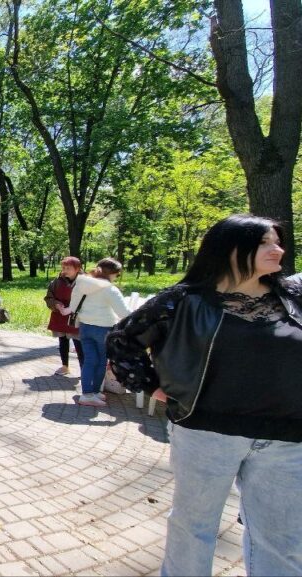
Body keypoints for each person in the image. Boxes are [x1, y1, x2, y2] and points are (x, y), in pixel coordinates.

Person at [107, 214, 302, 577]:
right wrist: (153, 388)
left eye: (278, 242)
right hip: (206, 433)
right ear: (229, 247)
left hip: (287, 440)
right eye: (266, 243)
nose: (279, 250)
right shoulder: (183, 300)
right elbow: (122, 341)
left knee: (283, 539)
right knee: (193, 528)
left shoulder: (293, 297)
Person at [58, 257, 129, 407]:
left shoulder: (82, 284)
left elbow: (73, 306)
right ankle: (93, 392)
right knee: (101, 361)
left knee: (89, 360)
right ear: (113, 274)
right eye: (117, 275)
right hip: (103, 328)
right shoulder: (110, 289)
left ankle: (87, 393)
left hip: (84, 327)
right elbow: (124, 313)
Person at [44, 256, 85, 376]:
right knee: (63, 341)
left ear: (77, 268)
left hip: (77, 317)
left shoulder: (85, 282)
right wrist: (56, 304)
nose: (65, 270)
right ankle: (65, 366)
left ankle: (84, 369)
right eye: (63, 267)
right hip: (60, 316)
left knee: (79, 344)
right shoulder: (56, 282)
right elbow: (49, 297)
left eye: (68, 268)